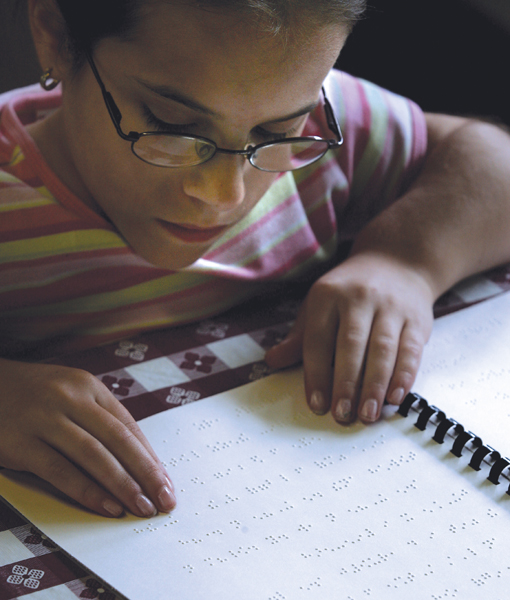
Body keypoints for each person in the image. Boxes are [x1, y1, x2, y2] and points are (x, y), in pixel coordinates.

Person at [1, 0, 510, 519]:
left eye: (274, 134)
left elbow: (497, 164)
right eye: (173, 125)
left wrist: (407, 259)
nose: (224, 193)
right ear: (56, 35)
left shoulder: (321, 132)